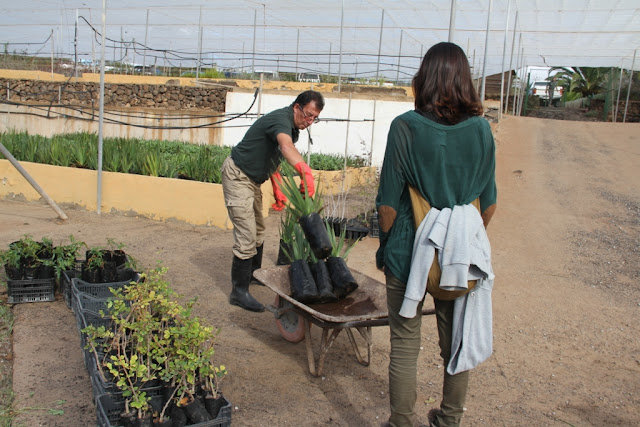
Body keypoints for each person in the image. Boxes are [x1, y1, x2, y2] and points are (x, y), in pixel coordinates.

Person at [376, 42, 497, 427]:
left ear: (423, 79)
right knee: (456, 342)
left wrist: (385, 250)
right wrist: (461, 240)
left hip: (407, 250)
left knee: (406, 344)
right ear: (466, 81)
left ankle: (401, 421)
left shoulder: (405, 127)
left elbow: (388, 207)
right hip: (457, 256)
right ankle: (448, 419)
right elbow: (490, 204)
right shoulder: (482, 130)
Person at [221, 90, 324, 312]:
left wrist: (277, 187)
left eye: (314, 118)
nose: (309, 121)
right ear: (297, 107)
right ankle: (238, 292)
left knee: (259, 229)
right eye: (307, 115)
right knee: (247, 235)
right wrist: (305, 172)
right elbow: (286, 147)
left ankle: (253, 275)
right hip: (238, 175)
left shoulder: (293, 127)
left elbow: (274, 158)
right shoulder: (281, 120)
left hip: (254, 180)